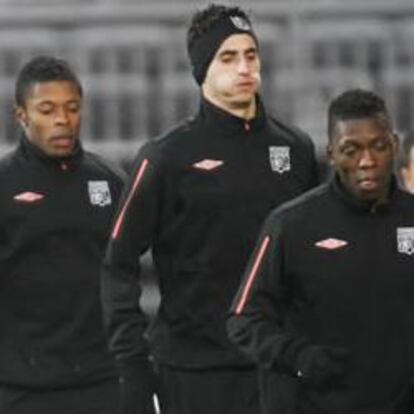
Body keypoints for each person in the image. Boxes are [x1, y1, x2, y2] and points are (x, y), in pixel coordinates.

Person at [101, 4, 318, 414]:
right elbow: (118, 261)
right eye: (228, 57)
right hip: (193, 372)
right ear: (202, 69)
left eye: (251, 55)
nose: (244, 68)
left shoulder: (296, 149)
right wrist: (132, 362)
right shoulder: (166, 157)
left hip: (276, 369)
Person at [227, 88, 414, 414]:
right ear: (331, 154)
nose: (367, 161)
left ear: (395, 146)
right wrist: (298, 358)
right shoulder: (291, 225)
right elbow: (243, 319)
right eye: (351, 149)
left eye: (378, 146)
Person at [0, 56, 125, 414]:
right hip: (22, 386)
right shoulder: (3, 186)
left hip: (101, 380)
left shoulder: (110, 182)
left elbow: (131, 269)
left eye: (72, 108)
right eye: (47, 109)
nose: (62, 120)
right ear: (22, 115)